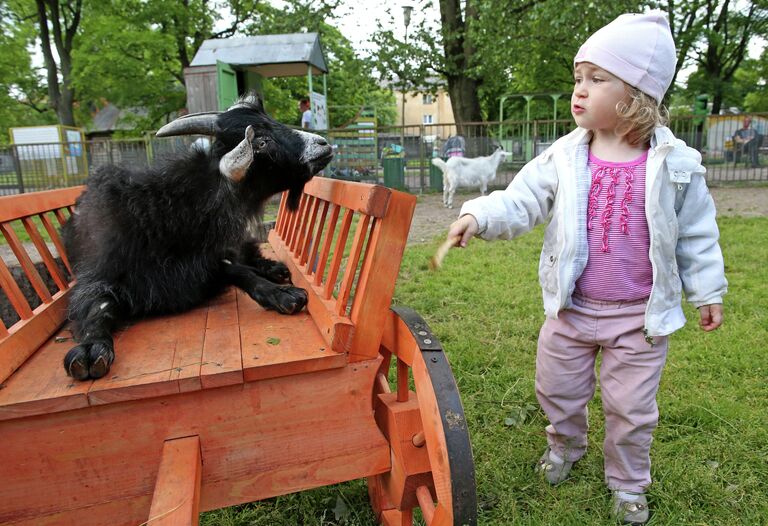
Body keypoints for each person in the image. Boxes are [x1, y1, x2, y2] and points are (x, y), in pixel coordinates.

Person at [445, 13, 726, 524]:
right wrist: (479, 215)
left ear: (636, 94)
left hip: (638, 320)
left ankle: (627, 482)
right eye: (578, 78)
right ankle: (565, 447)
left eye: (597, 79)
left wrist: (708, 290)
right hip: (570, 311)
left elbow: (697, 233)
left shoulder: (677, 164)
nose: (579, 91)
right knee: (556, 389)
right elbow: (522, 197)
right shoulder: (566, 155)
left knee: (631, 410)